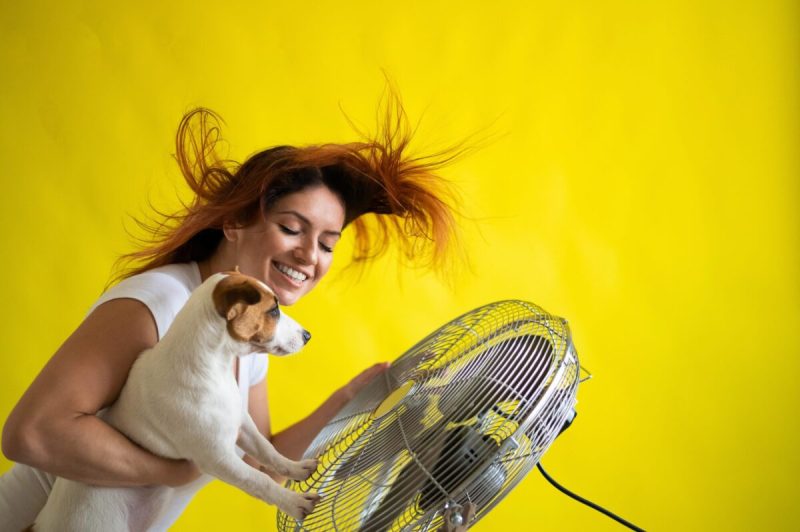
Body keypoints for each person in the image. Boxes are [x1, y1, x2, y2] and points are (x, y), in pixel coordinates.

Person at [0, 97, 462, 530]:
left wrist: (348, 397)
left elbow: (261, 466)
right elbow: (32, 434)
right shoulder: (157, 304)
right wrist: (177, 470)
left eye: (326, 244)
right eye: (291, 228)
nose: (309, 256)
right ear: (235, 222)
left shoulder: (244, 331)